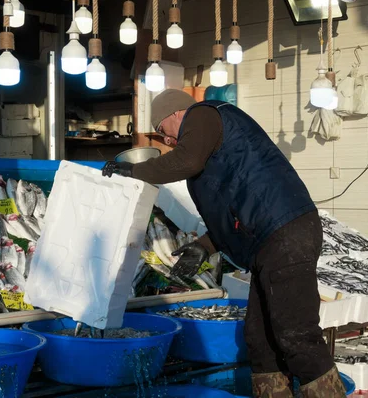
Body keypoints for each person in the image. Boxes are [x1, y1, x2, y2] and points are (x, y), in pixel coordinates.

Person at [102, 89, 345, 398]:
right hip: (268, 241)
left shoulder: (204, 114)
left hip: (285, 231)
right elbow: (233, 211)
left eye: (163, 132)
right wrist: (204, 245)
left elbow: (185, 161)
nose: (165, 142)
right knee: (259, 339)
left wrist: (135, 170)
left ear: (176, 113)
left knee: (296, 335)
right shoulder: (207, 151)